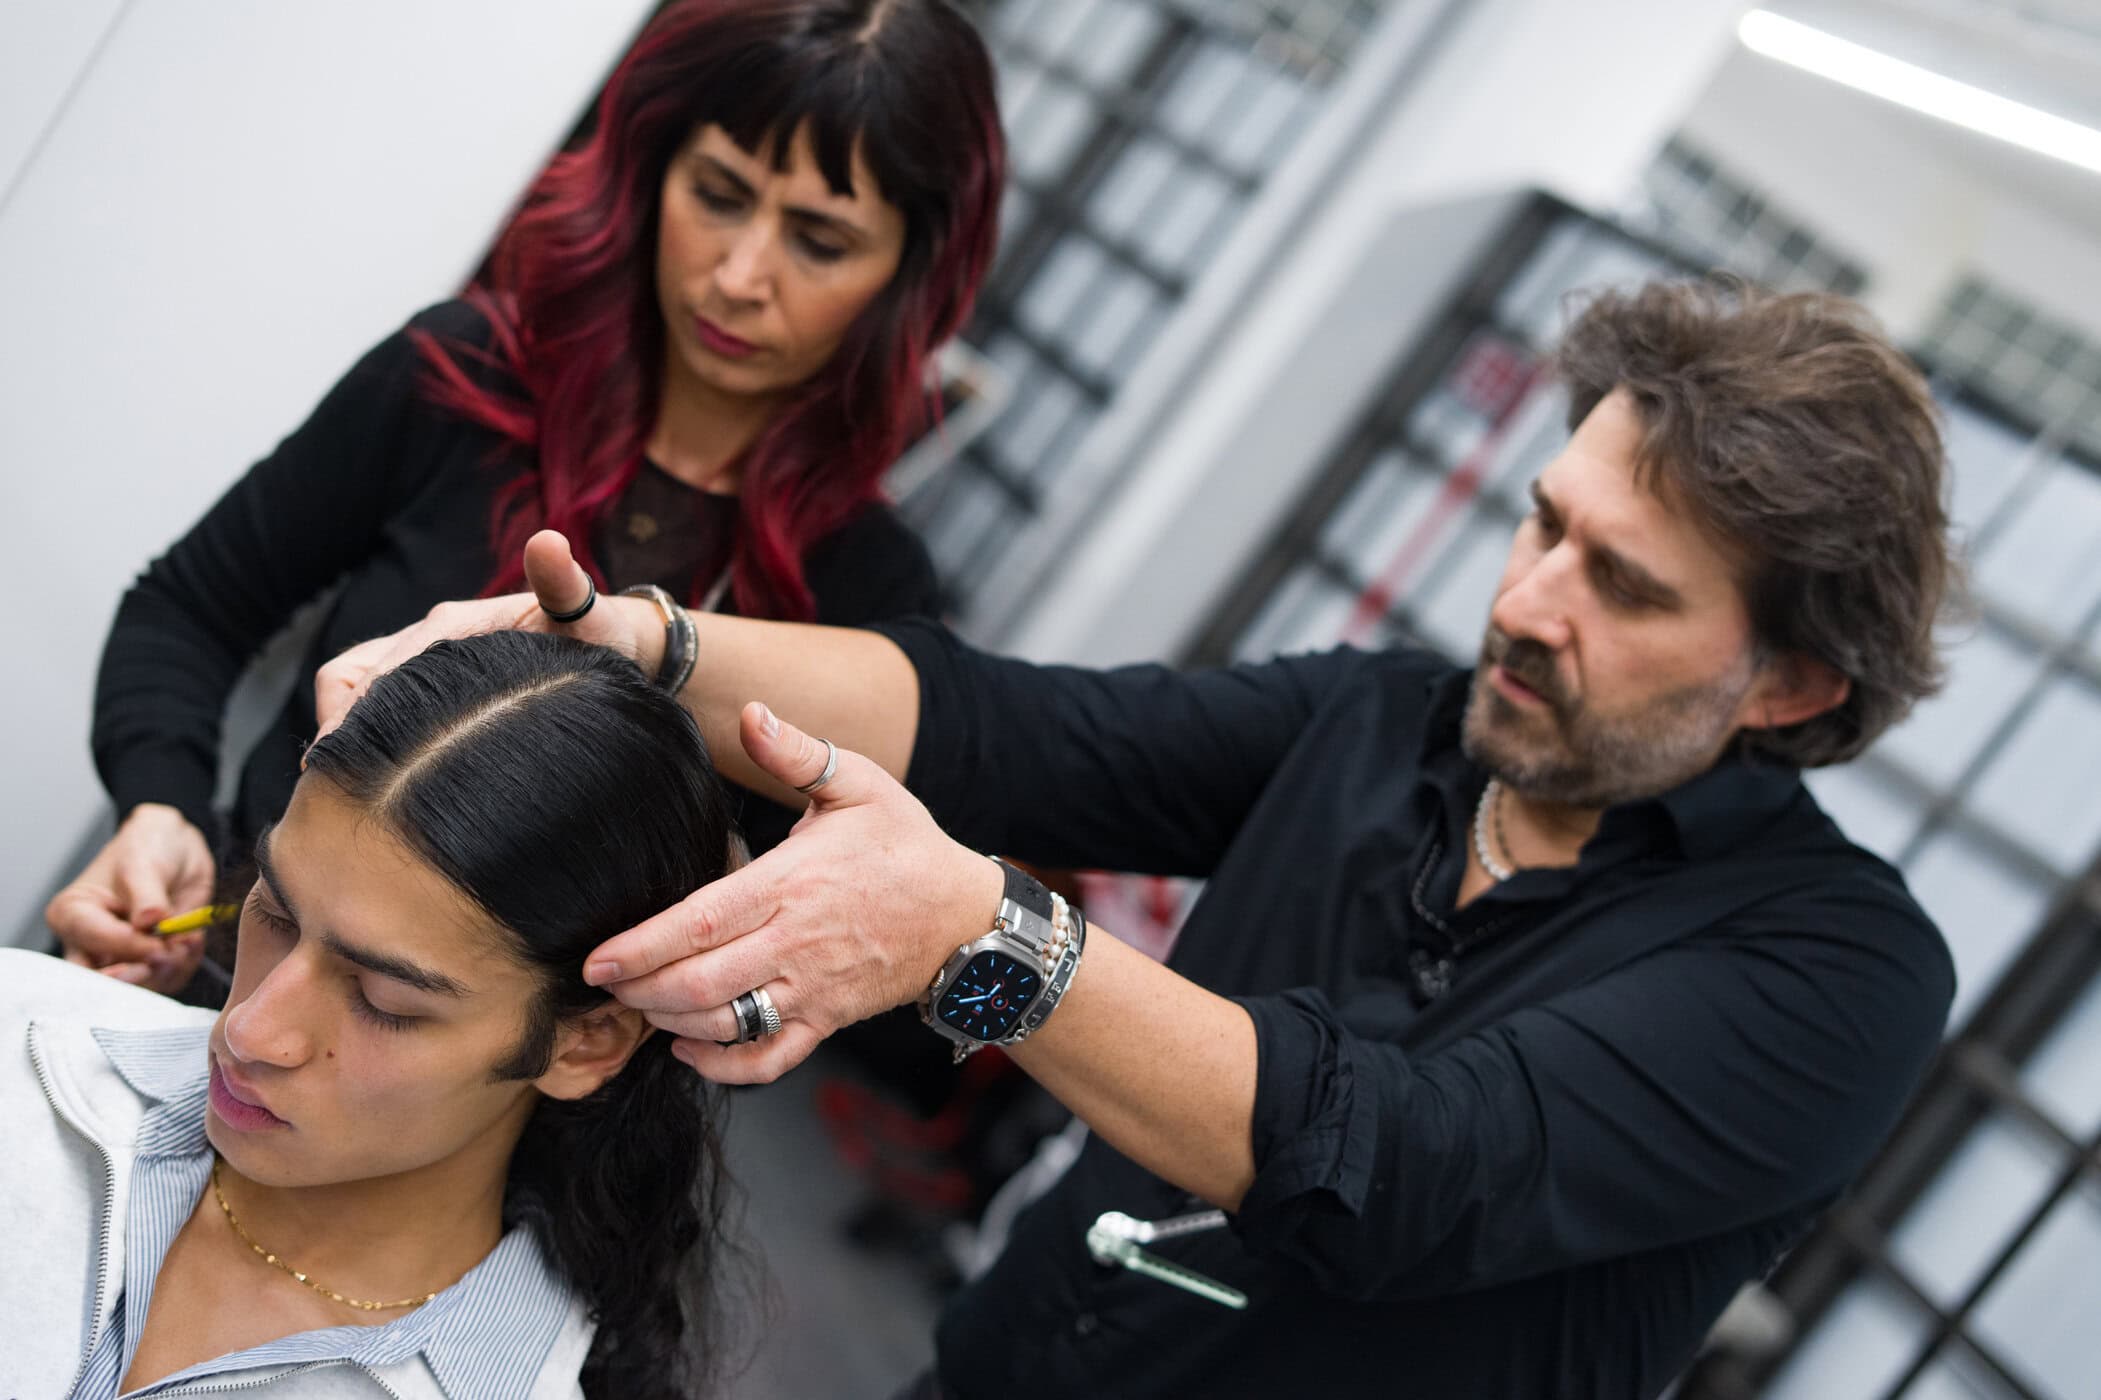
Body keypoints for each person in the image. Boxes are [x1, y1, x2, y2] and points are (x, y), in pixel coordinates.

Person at [316, 281, 1960, 1398]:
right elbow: (1006, 729)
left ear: (1792, 680)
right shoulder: (1393, 724)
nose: (1524, 605)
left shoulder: (1833, 969)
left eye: (1626, 587)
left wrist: (981, 939)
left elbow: (1408, 1166)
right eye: (1545, 524)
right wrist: (645, 649)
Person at [48, 0, 1005, 996]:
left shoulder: (866, 594)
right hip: (215, 969)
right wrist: (158, 808)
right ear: (654, 168)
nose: (738, 273)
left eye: (818, 240)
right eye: (717, 192)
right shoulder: (465, 375)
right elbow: (188, 610)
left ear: (910, 277)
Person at [3, 630, 752, 1398]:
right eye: (275, 913)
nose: (249, 1030)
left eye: (384, 1002)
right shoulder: (19, 1026)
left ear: (585, 1044)